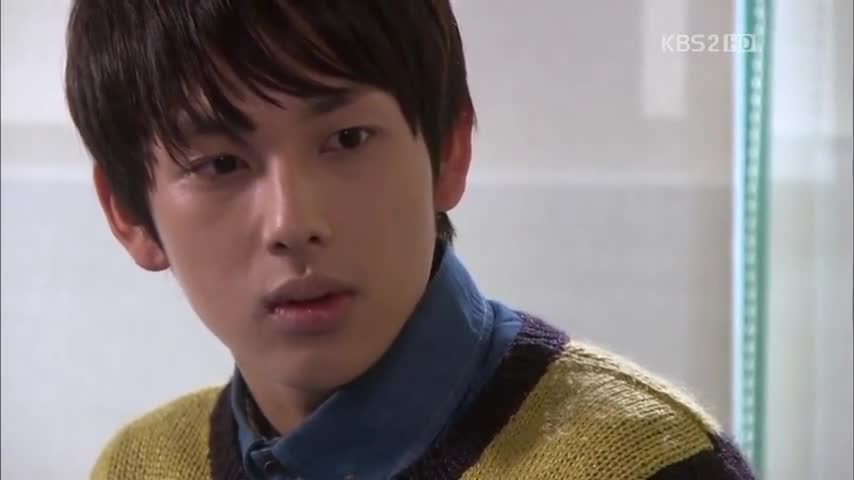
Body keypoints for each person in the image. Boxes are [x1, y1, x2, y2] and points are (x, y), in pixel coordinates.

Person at [65, 1, 755, 479]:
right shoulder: (141, 465)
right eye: (220, 164)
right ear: (129, 214)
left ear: (449, 152)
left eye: (347, 139)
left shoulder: (649, 465)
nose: (292, 222)